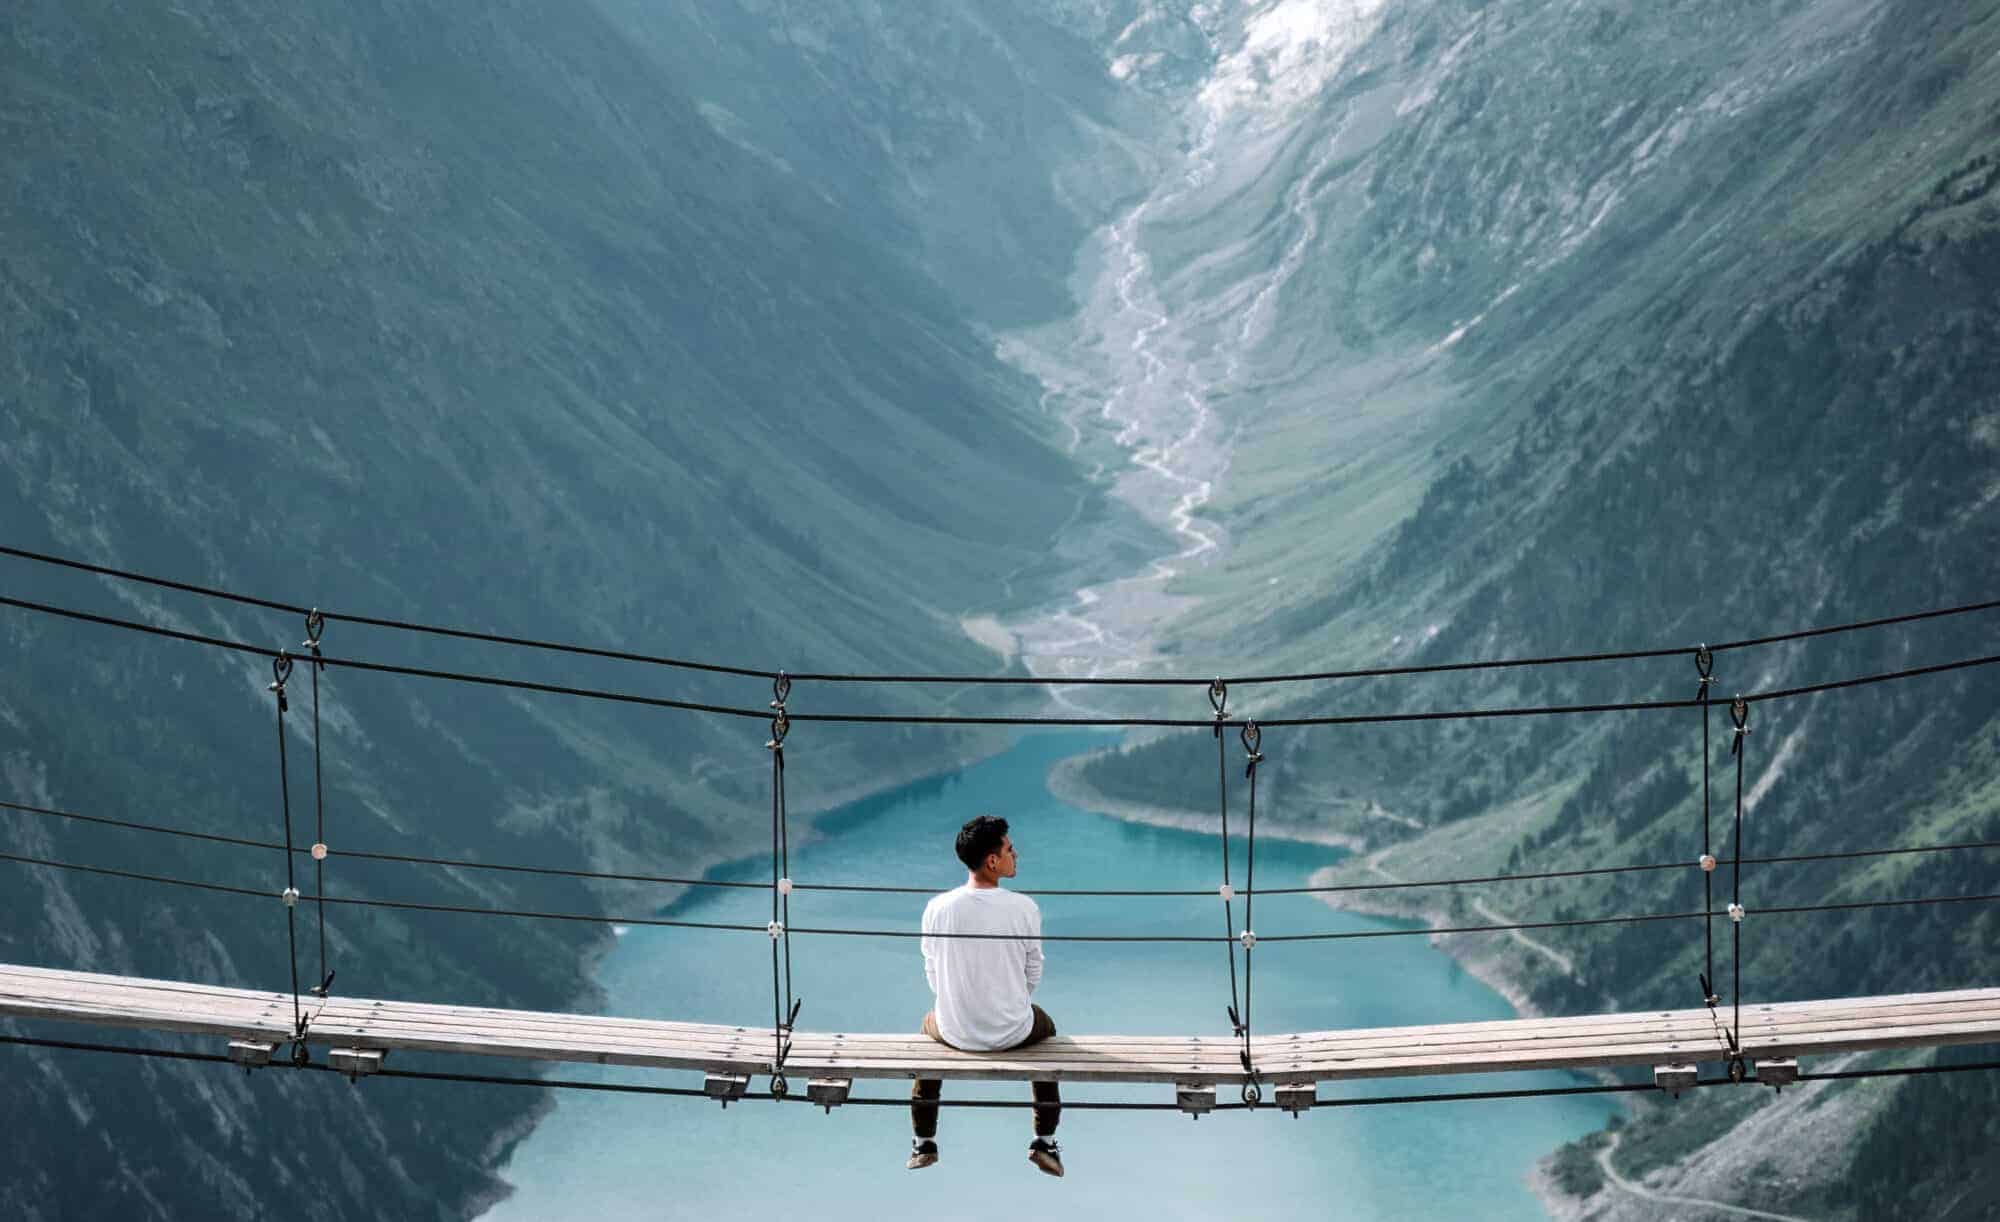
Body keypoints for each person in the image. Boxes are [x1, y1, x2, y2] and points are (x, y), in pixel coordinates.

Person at [909, 815, 1063, 1177]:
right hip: (1013, 1031)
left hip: (954, 1031)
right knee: (1048, 1029)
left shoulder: (937, 908)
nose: (1016, 854)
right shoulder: (1024, 907)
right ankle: (1045, 1140)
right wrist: (1010, 1002)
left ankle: (923, 1141)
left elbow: (932, 970)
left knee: (926, 1031)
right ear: (992, 861)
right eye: (1010, 849)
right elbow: (1033, 970)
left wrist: (960, 1002)